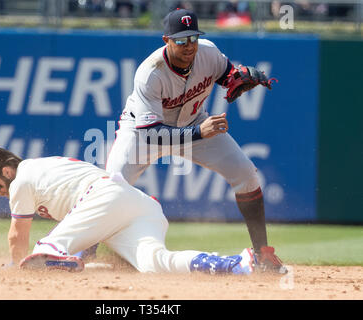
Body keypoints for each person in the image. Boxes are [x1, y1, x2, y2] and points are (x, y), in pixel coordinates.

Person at [105, 8, 285, 273]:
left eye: (193, 38)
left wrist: (238, 77)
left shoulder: (208, 52)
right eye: (181, 40)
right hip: (143, 131)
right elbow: (152, 134)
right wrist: (201, 132)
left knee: (246, 173)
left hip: (194, 121)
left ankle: (262, 255)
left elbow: (227, 74)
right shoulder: (150, 72)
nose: (189, 46)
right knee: (112, 187)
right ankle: (82, 252)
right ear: (166, 39)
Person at [0, 145, 257, 275]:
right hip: (137, 204)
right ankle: (235, 264)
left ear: (6, 171)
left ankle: (59, 257)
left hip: (105, 196)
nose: (0, 194)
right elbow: (91, 221)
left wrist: (14, 267)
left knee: (40, 254)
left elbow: (16, 236)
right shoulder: (40, 168)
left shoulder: (21, 179)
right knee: (155, 263)